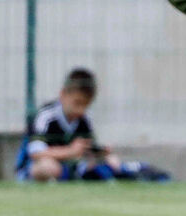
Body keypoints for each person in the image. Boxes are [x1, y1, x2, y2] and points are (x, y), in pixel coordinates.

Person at [15, 68, 168, 182]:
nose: (81, 110)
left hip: (70, 167)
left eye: (86, 105)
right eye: (77, 103)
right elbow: (36, 153)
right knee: (48, 167)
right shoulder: (45, 116)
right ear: (63, 94)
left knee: (107, 164)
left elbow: (86, 151)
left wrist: (101, 154)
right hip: (35, 167)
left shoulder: (84, 119)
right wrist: (70, 151)